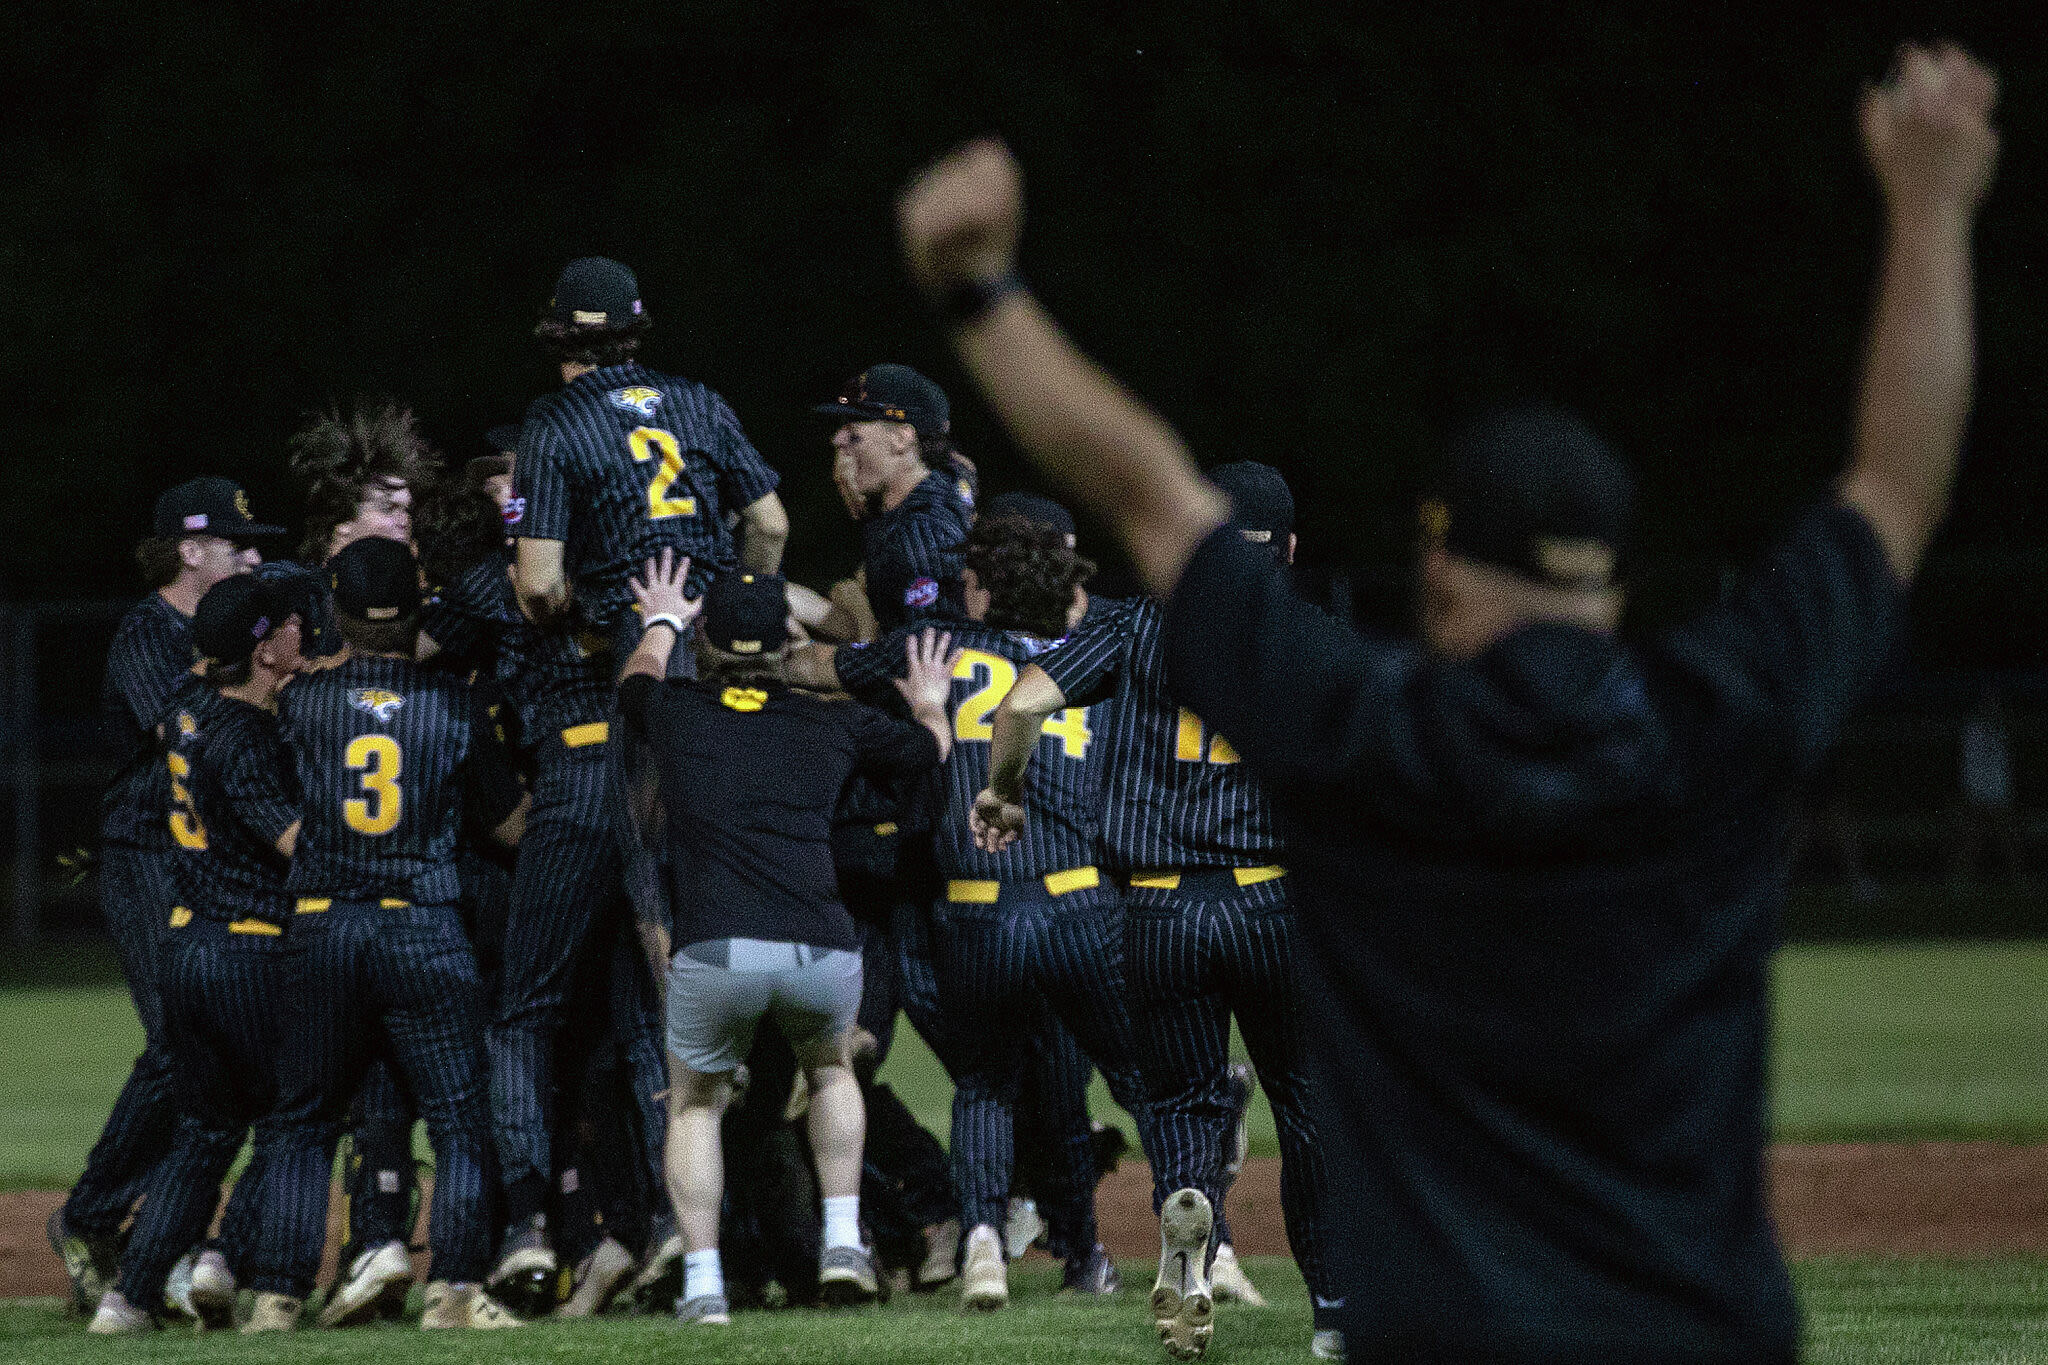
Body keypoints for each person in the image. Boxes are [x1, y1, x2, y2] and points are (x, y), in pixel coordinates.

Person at [895, 41, 1995, 1364]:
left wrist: (981, 289)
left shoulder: (1373, 733)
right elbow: (1895, 490)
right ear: (1617, 582)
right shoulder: (1721, 710)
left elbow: (1149, 492)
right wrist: (1931, 206)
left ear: (1437, 569)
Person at [974, 462, 1334, 1352]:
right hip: (1270, 902)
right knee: (1307, 1105)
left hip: (1161, 907)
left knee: (1178, 1102)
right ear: (1287, 549)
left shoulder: (1138, 624)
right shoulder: (1309, 635)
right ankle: (1335, 1313)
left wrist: (1004, 794)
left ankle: (1191, 1219)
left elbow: (1020, 702)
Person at [496, 254, 786, 1301]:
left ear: (558, 340)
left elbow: (534, 586)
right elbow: (771, 525)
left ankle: (532, 1219)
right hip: (723, 680)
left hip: (630, 682)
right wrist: (732, 608)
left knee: (609, 923)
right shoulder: (701, 402)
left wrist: (607, 617)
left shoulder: (556, 425)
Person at [789, 515, 1162, 1311]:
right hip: (1078, 904)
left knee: (985, 1083)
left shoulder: (941, 648)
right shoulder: (1096, 655)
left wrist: (848, 644)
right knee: (1103, 1081)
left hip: (975, 910)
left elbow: (817, 667)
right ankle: (1164, 1236)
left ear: (986, 587)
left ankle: (984, 1239)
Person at [616, 550, 955, 1323]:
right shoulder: (830, 719)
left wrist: (663, 618)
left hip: (714, 949)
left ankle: (703, 1283)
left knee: (696, 1107)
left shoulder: (676, 712)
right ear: (784, 645)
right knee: (832, 1074)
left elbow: (637, 681)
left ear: (708, 641)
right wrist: (932, 701)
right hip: (820, 946)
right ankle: (842, 1239)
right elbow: (928, 754)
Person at [268, 535, 531, 1331]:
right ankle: (453, 1289)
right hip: (422, 924)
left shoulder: (298, 703)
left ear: (335, 609)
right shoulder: (454, 704)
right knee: (457, 1118)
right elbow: (512, 827)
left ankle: (276, 1296)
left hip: (322, 924)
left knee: (302, 1123)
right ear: (419, 609)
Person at [50, 477, 284, 1319]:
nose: (254, 555)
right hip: (149, 854)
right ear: (190, 550)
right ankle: (95, 1217)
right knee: (180, 1047)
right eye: (238, 543)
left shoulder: (234, 632)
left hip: (218, 861)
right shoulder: (148, 634)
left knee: (227, 1050)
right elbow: (189, 725)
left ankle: (152, 1228)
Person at [87, 575, 310, 1334]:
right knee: (290, 1117)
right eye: (286, 624)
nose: (300, 630)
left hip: (187, 945)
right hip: (249, 949)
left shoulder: (187, 710)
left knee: (206, 1131)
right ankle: (231, 1262)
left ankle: (130, 1297)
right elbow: (297, 845)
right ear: (260, 647)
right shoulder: (245, 737)